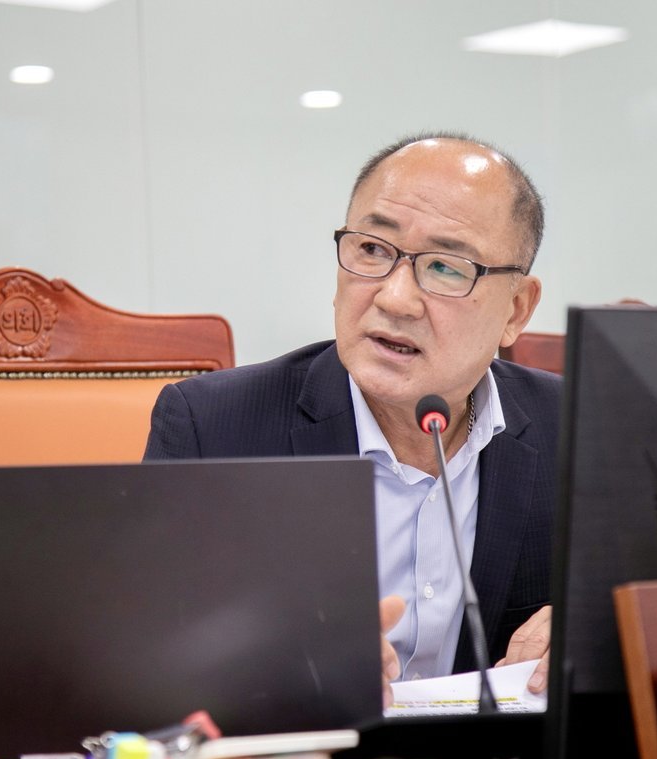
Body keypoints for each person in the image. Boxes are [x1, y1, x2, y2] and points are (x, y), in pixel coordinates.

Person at [143, 132, 560, 704]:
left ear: (516, 309)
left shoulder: (578, 432)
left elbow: (655, 602)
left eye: (445, 267)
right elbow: (149, 654)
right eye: (372, 250)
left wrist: (597, 626)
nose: (394, 299)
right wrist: (268, 660)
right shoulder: (212, 428)